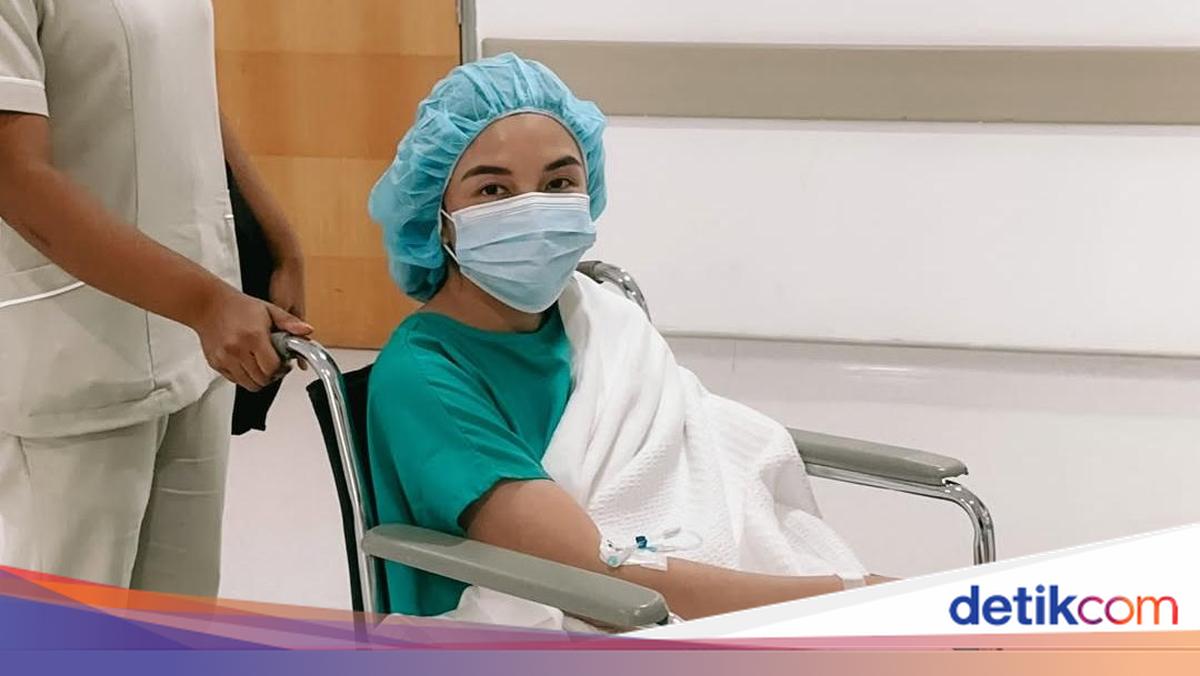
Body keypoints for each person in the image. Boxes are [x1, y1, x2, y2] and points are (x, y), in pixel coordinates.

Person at [366, 53, 892, 624]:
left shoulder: (595, 316)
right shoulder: (426, 376)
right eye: (494, 190)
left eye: (559, 183)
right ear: (436, 215)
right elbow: (595, 582)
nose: (534, 211)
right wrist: (850, 598)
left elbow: (694, 462)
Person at [0, 1, 308, 596]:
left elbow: (190, 83)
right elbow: (15, 177)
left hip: (192, 334)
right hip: (74, 349)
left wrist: (278, 237)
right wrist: (205, 304)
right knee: (72, 628)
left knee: (178, 614)